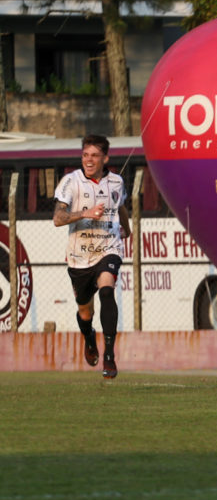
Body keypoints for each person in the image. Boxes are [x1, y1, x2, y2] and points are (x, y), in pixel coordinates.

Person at [53, 134, 131, 379]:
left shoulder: (116, 181)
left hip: (109, 248)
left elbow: (121, 206)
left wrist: (127, 228)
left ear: (105, 158)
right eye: (85, 155)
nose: (89, 160)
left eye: (95, 155)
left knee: (107, 289)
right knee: (85, 313)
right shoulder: (70, 182)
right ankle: (89, 338)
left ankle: (109, 356)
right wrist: (86, 213)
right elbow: (58, 218)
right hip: (79, 257)